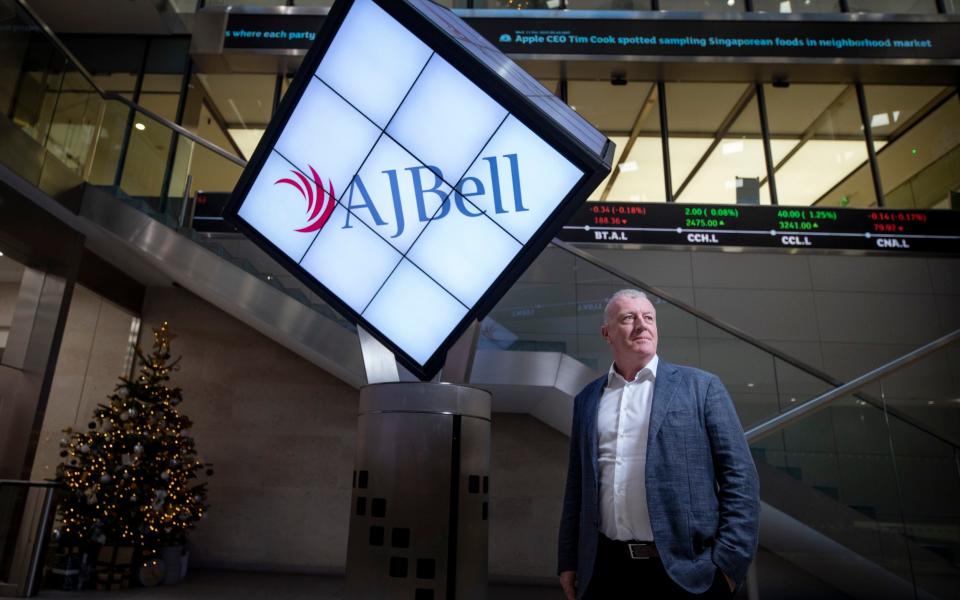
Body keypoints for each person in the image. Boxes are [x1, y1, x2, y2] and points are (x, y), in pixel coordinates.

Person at [558, 289, 759, 599]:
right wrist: (569, 560)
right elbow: (577, 487)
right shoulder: (586, 399)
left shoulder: (701, 387)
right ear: (606, 333)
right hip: (605, 570)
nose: (641, 325)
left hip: (687, 574)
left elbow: (741, 479)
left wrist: (728, 566)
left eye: (648, 317)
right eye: (628, 318)